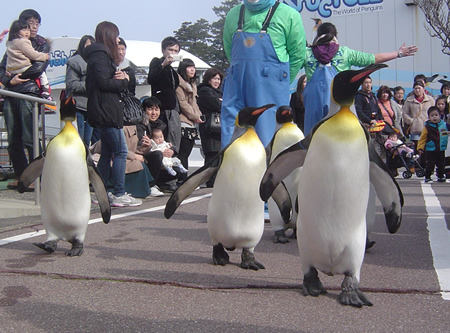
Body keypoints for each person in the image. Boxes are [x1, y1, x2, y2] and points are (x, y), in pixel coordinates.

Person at [302, 22, 417, 134]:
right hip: (341, 104)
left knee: (313, 138)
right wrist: (398, 53)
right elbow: (373, 59)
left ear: (318, 35)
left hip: (314, 104)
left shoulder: (307, 53)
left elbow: (290, 65)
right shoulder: (345, 53)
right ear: (335, 36)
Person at [221, 0, 306, 148]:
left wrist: (280, 82)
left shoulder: (289, 15)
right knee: (230, 140)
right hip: (236, 86)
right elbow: (229, 49)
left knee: (268, 139)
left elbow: (298, 55)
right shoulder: (233, 14)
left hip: (270, 89)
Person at [85, 21, 141, 207]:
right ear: (108, 35)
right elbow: (104, 83)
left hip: (105, 111)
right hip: (106, 112)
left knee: (108, 152)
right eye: (116, 36)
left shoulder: (100, 56)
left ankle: (102, 192)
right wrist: (123, 81)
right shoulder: (100, 56)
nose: (118, 40)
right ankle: (118, 193)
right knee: (120, 151)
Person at [0, 9, 50, 190]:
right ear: (21, 26)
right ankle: (21, 176)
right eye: (30, 23)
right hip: (11, 92)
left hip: (29, 91)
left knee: (30, 137)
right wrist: (8, 80)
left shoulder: (41, 43)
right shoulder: (13, 43)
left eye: (37, 23)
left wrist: (17, 76)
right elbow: (2, 68)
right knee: (13, 138)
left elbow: (39, 67)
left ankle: (38, 176)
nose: (34, 27)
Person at [137, 96, 184, 194]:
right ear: (144, 110)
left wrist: (170, 151)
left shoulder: (162, 125)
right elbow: (137, 146)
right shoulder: (140, 125)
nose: (154, 113)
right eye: (150, 109)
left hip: (160, 158)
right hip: (144, 157)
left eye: (156, 109)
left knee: (177, 171)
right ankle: (150, 185)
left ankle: (162, 184)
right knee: (157, 154)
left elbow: (167, 143)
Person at [147, 36, 181, 155]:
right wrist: (163, 64)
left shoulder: (172, 70)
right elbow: (151, 78)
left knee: (173, 142)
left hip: (173, 109)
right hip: (161, 109)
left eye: (175, 51)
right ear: (163, 50)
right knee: (161, 140)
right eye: (170, 50)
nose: (173, 53)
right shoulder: (157, 62)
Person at [5, 19, 51, 102]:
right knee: (42, 74)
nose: (27, 32)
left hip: (11, 71)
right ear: (16, 31)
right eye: (23, 30)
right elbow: (33, 55)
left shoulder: (10, 43)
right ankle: (45, 90)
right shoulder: (24, 42)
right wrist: (44, 56)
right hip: (23, 68)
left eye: (28, 30)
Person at [65, 35, 95, 146]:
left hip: (92, 108)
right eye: (88, 45)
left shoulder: (96, 61)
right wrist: (90, 85)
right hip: (77, 107)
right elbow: (71, 84)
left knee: (87, 141)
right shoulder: (74, 62)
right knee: (78, 141)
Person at [176, 58, 203, 177]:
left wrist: (198, 116)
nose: (192, 69)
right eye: (189, 67)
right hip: (182, 121)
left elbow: (194, 103)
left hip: (191, 122)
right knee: (183, 153)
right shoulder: (179, 84)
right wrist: (195, 115)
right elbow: (183, 103)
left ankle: (183, 178)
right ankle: (181, 179)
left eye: (194, 67)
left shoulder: (192, 85)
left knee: (186, 153)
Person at [197, 68, 223, 188]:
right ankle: (210, 179)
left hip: (218, 127)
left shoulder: (219, 92)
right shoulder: (204, 90)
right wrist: (221, 102)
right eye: (214, 78)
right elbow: (217, 105)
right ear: (208, 78)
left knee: (218, 153)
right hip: (209, 126)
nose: (217, 81)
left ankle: (215, 178)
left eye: (218, 79)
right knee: (211, 153)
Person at [417, 106, 450, 183]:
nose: (434, 117)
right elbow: (422, 139)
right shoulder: (427, 127)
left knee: (441, 164)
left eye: (436, 115)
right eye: (432, 116)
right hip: (431, 149)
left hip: (441, 149)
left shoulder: (444, 125)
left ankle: (441, 176)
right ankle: (428, 177)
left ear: (439, 116)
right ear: (429, 117)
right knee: (430, 164)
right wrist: (420, 148)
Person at [402, 80, 435, 151]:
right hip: (415, 130)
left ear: (423, 89)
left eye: (419, 88)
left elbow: (434, 112)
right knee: (417, 150)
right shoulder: (409, 100)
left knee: (427, 149)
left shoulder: (430, 99)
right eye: (415, 88)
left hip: (428, 128)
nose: (417, 90)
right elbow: (404, 113)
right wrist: (411, 121)